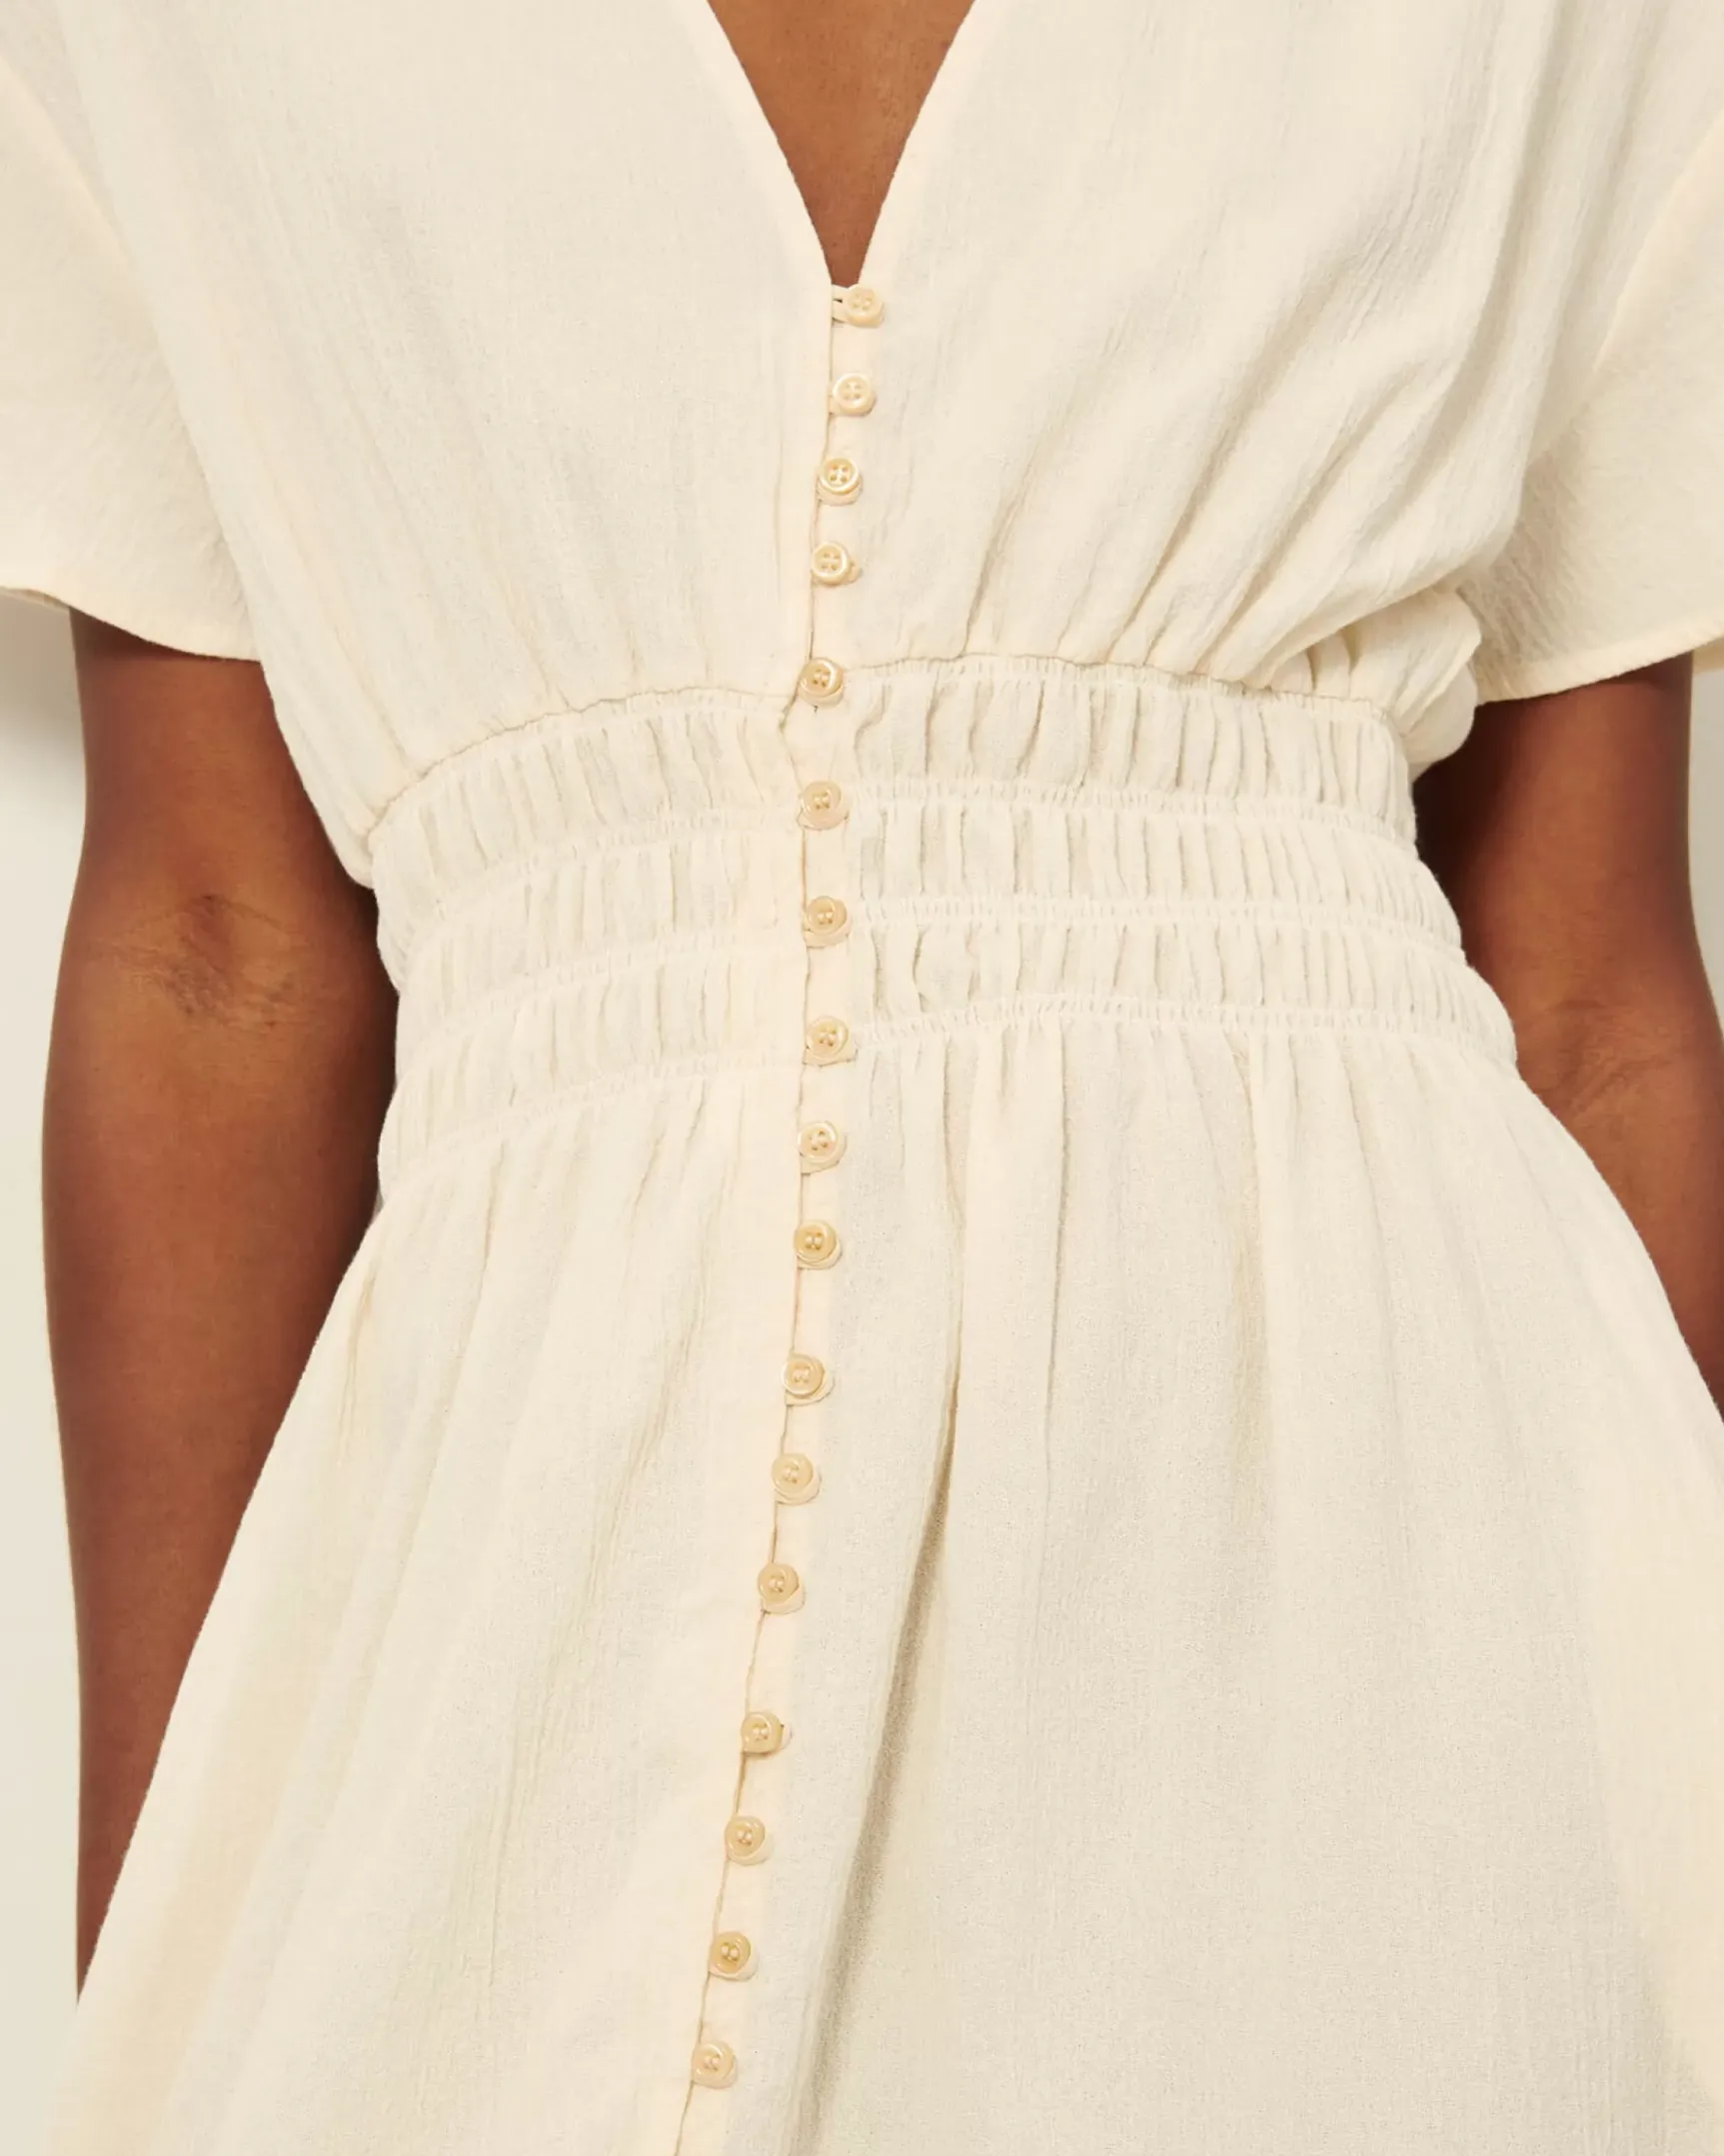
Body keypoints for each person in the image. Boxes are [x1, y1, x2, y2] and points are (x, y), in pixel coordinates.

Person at [5, 0, 1724, 2148]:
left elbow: (1587, 991)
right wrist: (166, 1950)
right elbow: (216, 959)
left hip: (1403, 1631)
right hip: (507, 1594)